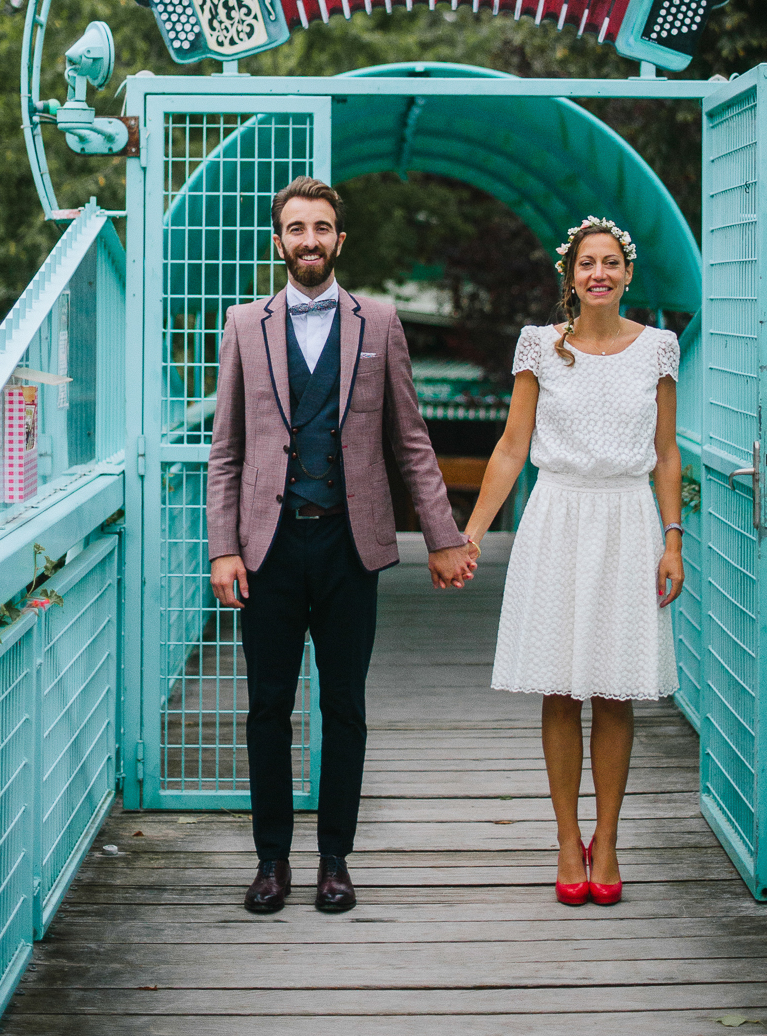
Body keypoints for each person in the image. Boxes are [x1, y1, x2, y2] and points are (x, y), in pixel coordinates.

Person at [206, 176, 477, 916]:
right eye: (296, 228)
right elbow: (226, 450)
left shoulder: (379, 322)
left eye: (321, 227)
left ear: (339, 239)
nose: (310, 240)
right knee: (268, 707)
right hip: (266, 549)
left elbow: (410, 439)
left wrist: (444, 538)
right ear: (279, 241)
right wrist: (223, 548)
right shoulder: (244, 324)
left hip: (351, 546)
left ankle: (334, 860)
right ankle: (271, 861)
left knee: (345, 706)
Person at [461, 217, 683, 905]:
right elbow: (510, 447)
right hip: (556, 518)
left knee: (615, 689)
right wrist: (470, 533)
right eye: (587, 262)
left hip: (628, 521)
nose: (599, 273)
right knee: (559, 687)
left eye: (611, 262)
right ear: (571, 274)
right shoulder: (539, 346)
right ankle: (566, 839)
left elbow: (667, 452)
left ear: (627, 273)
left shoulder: (659, 349)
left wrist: (673, 539)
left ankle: (607, 840)